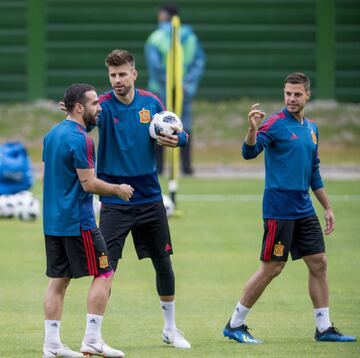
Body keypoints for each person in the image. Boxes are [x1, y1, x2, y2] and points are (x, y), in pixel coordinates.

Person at [223, 73, 356, 344]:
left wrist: (327, 207)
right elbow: (249, 153)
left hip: (304, 209)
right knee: (272, 267)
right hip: (279, 210)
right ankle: (235, 324)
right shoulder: (273, 124)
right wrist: (251, 129)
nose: (291, 99)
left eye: (297, 94)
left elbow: (314, 173)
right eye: (287, 94)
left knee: (319, 263)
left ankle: (323, 328)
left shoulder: (312, 129)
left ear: (308, 95)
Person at [93, 49, 190, 349]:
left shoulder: (151, 102)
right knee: (106, 269)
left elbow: (178, 129)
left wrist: (178, 138)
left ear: (134, 74)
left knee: (163, 263)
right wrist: (73, 112)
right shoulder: (103, 106)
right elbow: (80, 121)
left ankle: (170, 329)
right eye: (113, 75)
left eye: (123, 74)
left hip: (149, 198)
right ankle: (94, 335)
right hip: (114, 201)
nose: (118, 80)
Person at [42, 83, 134, 358]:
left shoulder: (52, 134)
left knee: (59, 280)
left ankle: (51, 345)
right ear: (79, 108)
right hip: (78, 222)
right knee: (105, 273)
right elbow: (88, 183)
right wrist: (118, 189)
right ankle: (92, 339)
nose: (100, 107)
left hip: (53, 222)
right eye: (94, 103)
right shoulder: (82, 140)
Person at [145, 2, 206, 175]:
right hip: (184, 89)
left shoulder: (156, 38)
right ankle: (186, 167)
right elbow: (199, 62)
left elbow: (154, 66)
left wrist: (167, 82)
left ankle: (158, 167)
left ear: (164, 15)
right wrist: (186, 83)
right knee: (184, 124)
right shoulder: (191, 37)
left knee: (157, 123)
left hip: (160, 89)